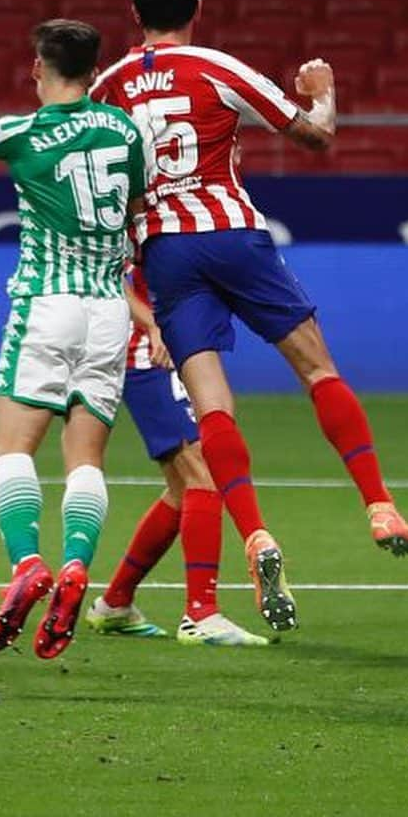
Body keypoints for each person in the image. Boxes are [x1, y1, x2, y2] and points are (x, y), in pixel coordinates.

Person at [91, 0, 408, 634]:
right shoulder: (218, 66)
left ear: (134, 14)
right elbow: (312, 134)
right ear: (199, 7)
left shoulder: (107, 88)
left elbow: (99, 184)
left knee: (212, 407)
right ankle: (378, 502)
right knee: (316, 368)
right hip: (235, 235)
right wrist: (323, 92)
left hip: (165, 252)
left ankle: (254, 533)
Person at [0, 22, 146, 660]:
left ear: (36, 68)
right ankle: (79, 564)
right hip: (109, 311)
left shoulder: (22, 131)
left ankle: (28, 562)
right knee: (86, 459)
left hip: (46, 304)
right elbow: (135, 205)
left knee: (12, 448)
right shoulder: (125, 130)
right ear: (93, 68)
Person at [85, 261, 268, 646]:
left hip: (169, 349)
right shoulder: (133, 210)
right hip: (147, 355)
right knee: (203, 469)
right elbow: (109, 277)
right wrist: (154, 325)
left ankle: (115, 603)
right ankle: (201, 612)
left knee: (184, 487)